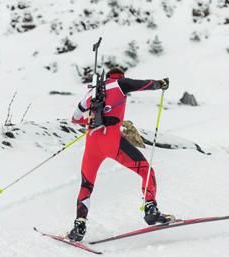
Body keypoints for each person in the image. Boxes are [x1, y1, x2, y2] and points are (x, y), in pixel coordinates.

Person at [68, 67, 174, 241]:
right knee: (147, 171)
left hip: (92, 146)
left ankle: (79, 225)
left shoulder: (91, 92)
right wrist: (161, 84)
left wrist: (92, 118)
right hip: (112, 142)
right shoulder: (120, 83)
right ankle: (150, 209)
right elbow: (144, 84)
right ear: (120, 76)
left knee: (86, 186)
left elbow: (75, 118)